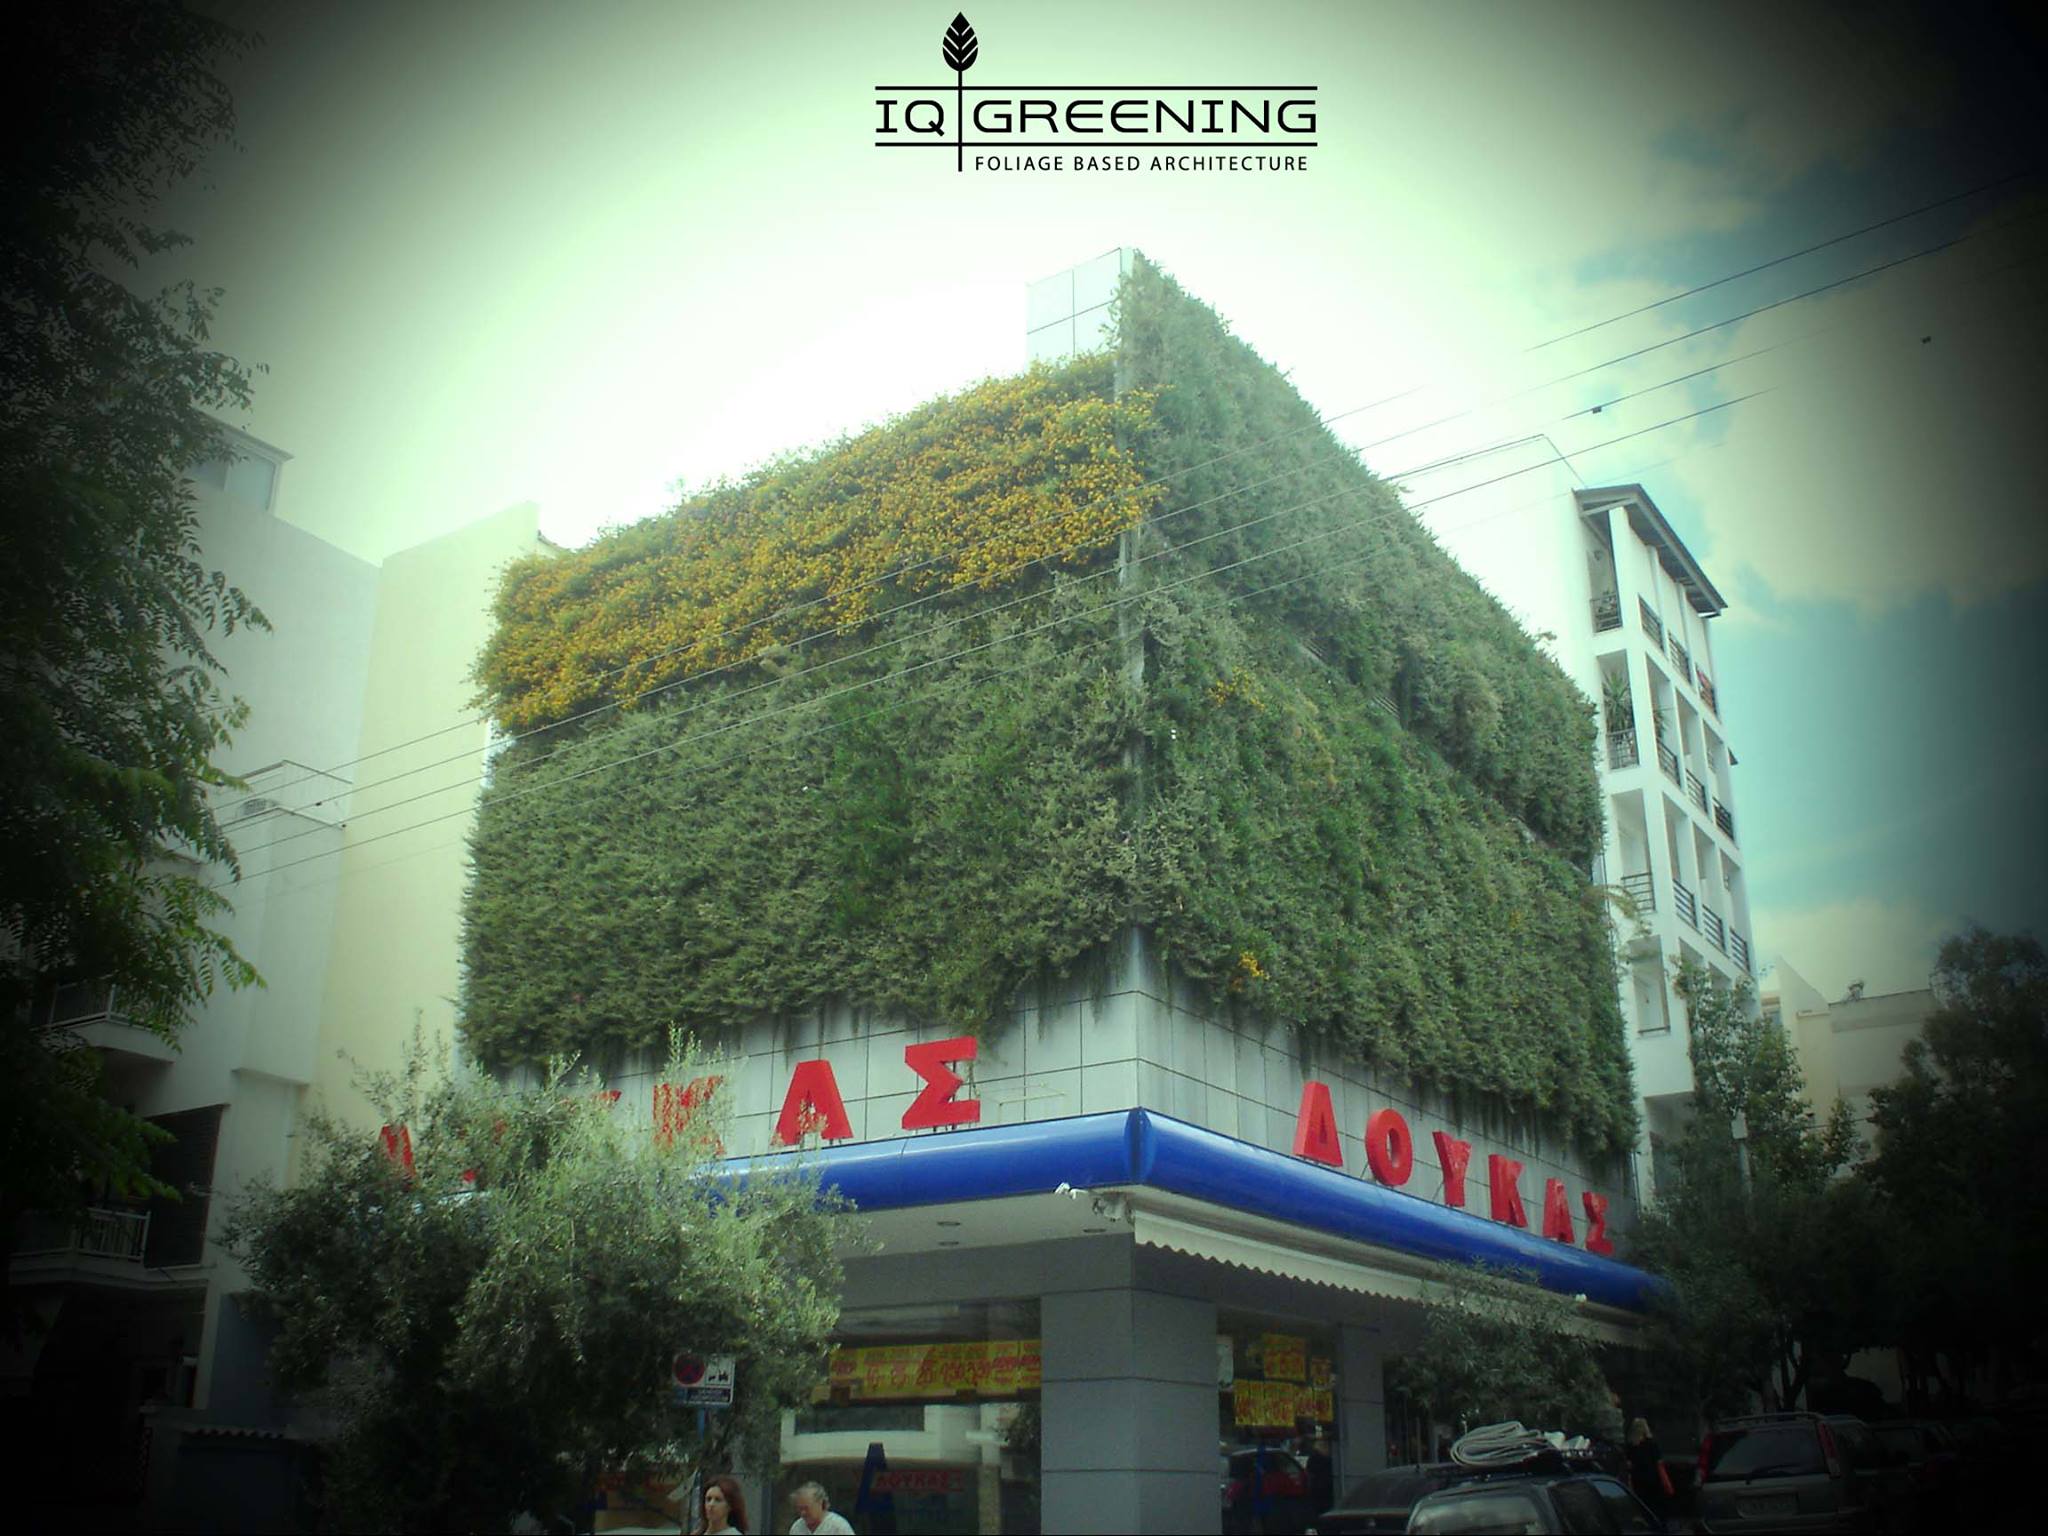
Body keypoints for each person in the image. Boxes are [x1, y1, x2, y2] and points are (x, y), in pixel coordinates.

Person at [1626, 1418, 1674, 1516]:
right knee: (1655, 1508)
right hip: (1653, 1480)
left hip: (1638, 1481)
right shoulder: (1652, 1444)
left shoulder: (1631, 1446)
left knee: (1642, 1507)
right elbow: (1659, 1465)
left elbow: (1629, 1465)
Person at [787, 1480, 855, 1536]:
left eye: (806, 1508)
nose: (803, 1512)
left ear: (820, 1504)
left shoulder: (838, 1526)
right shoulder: (797, 1527)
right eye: (800, 1509)